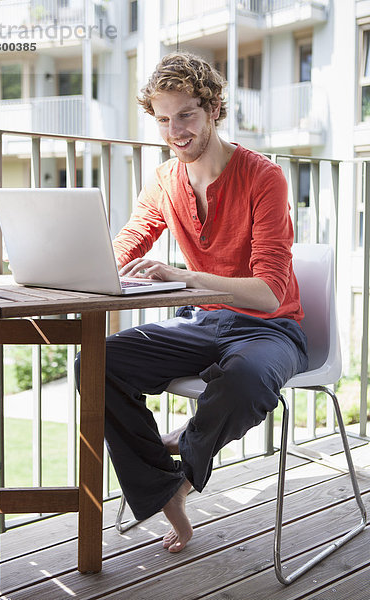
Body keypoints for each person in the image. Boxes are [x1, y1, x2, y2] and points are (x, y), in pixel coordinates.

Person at [75, 52, 308, 554]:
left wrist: (183, 277)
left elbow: (269, 290)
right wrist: (89, 267)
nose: (174, 130)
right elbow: (133, 236)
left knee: (245, 381)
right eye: (163, 119)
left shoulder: (264, 178)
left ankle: (182, 470)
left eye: (186, 115)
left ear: (214, 109)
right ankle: (163, 485)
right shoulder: (163, 181)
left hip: (270, 328)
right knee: (96, 363)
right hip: (203, 323)